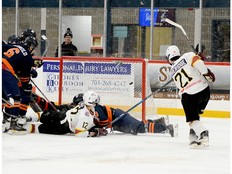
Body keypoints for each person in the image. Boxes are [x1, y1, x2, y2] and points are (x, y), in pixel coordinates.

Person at [23, 91, 178, 137]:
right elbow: (54, 108)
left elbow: (103, 123)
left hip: (117, 117)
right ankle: (159, 121)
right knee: (137, 126)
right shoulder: (77, 108)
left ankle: (163, 128)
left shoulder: (97, 111)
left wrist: (97, 131)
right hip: (113, 121)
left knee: (137, 128)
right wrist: (35, 98)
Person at [165, 45, 215, 148]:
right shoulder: (188, 55)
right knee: (196, 114)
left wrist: (198, 58)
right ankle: (194, 134)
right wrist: (206, 72)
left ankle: (203, 134)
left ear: (168, 58)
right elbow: (199, 64)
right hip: (205, 91)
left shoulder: (172, 71)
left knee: (192, 119)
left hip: (190, 96)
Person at [2, 36, 42, 135]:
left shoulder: (17, 45)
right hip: (5, 70)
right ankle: (13, 124)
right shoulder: (27, 56)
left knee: (5, 95)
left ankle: (6, 117)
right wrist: (25, 86)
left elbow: (3, 47)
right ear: (31, 46)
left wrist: (31, 69)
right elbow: (24, 77)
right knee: (16, 96)